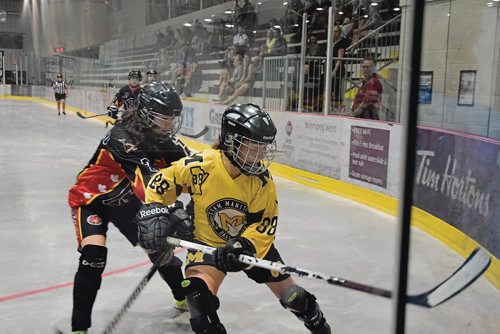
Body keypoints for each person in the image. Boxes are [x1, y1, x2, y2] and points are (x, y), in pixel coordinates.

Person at [136, 103, 332, 334]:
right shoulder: (201, 166)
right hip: (206, 246)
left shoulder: (261, 181)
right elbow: (160, 183)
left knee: (294, 297)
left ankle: (317, 323)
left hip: (248, 248)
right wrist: (154, 212)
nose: (260, 154)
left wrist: (243, 245)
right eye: (253, 146)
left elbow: (264, 225)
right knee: (198, 303)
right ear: (231, 141)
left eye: (263, 147)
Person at [68, 82, 191, 334]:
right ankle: (79, 327)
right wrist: (174, 209)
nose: (169, 124)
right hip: (93, 200)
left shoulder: (162, 139)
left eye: (172, 118)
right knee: (93, 256)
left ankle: (182, 295)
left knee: (158, 245)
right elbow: (149, 182)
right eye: (163, 118)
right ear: (145, 113)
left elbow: (195, 167)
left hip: (125, 203)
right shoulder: (121, 137)